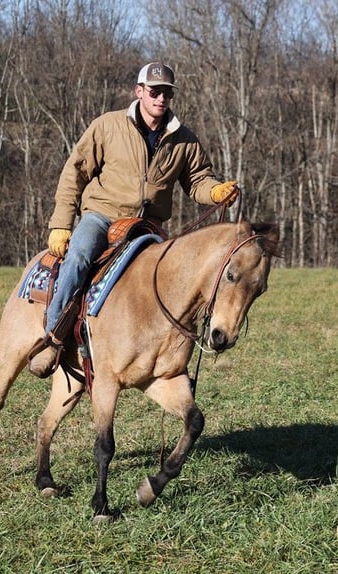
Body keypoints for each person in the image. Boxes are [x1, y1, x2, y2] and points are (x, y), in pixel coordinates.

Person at [28, 61, 240, 377]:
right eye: (154, 91)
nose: (160, 99)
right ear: (139, 91)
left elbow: (197, 180)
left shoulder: (183, 138)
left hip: (148, 226)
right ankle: (54, 338)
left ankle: (160, 351)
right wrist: (61, 224)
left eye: (166, 93)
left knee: (177, 278)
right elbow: (75, 173)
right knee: (81, 256)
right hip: (103, 216)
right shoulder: (107, 126)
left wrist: (216, 191)